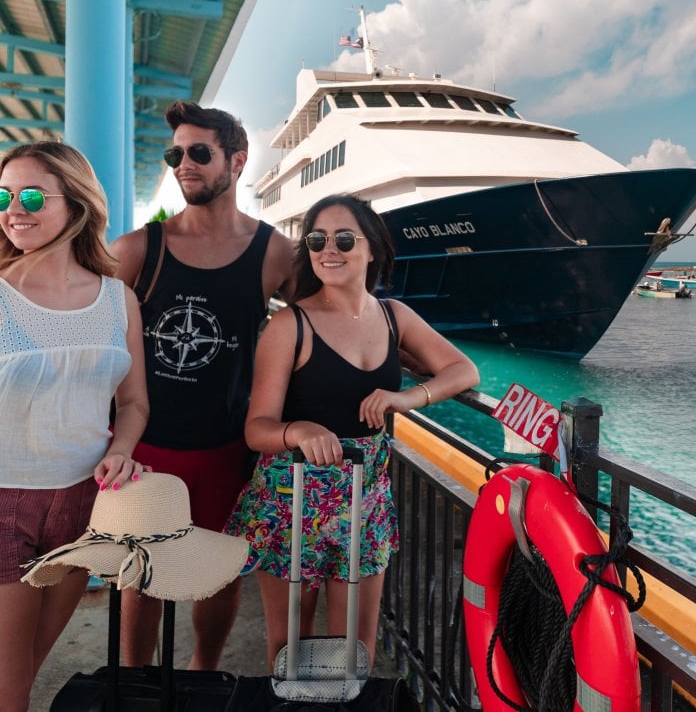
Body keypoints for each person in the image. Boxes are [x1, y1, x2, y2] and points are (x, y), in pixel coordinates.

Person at [226, 193, 479, 670]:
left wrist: (407, 398)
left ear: (371, 249)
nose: (329, 249)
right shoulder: (289, 325)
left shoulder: (393, 316)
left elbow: (463, 371)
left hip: (365, 502)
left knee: (353, 654)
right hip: (291, 501)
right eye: (317, 239)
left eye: (344, 238)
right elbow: (257, 429)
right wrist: (298, 429)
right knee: (290, 656)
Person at [110, 101, 295, 671]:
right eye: (175, 154)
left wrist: (396, 349)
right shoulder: (139, 249)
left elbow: (323, 321)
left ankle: (202, 674)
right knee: (139, 577)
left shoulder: (276, 254)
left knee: (218, 574)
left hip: (227, 445)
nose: (182, 165)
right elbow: (86, 327)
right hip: (147, 444)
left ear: (237, 162)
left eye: (198, 153)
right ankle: (137, 684)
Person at [0, 141, 149, 712]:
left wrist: (125, 451)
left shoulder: (119, 300)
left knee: (27, 672)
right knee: (9, 692)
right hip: (6, 502)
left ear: (77, 204)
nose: (16, 207)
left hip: (84, 507)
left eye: (33, 194)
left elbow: (133, 402)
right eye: (6, 195)